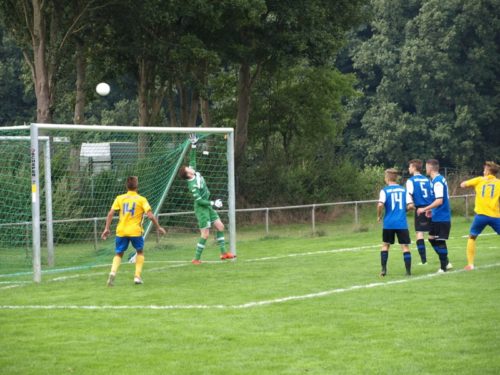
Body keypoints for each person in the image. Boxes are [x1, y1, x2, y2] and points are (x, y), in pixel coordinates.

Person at [178, 134, 235, 264]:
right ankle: (196, 259)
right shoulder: (193, 186)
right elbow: (199, 201)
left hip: (207, 206)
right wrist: (213, 202)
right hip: (201, 208)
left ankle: (223, 253)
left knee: (220, 226)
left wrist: (193, 145)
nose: (190, 167)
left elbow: (193, 160)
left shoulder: (194, 173)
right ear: (188, 174)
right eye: (188, 168)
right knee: (205, 234)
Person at [101, 176, 166, 286]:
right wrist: (158, 227)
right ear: (137, 186)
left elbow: (110, 213)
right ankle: (137, 276)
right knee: (140, 252)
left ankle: (112, 272)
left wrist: (106, 228)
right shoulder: (141, 199)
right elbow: (150, 216)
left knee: (119, 253)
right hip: (135, 231)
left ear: (126, 186)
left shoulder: (119, 198)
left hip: (121, 231)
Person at [460, 161, 500, 270]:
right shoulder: (499, 183)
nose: (483, 171)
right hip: (495, 216)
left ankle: (470, 264)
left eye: (484, 170)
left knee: (472, 237)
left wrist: (471, 185)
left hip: (481, 216)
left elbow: (462, 184)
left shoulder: (479, 180)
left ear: (488, 171)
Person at [377, 168, 414, 277]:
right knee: (405, 247)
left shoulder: (384, 190)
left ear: (386, 178)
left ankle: (383, 270)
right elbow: (410, 206)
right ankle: (408, 272)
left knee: (385, 245)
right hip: (401, 223)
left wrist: (379, 216)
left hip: (389, 223)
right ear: (396, 178)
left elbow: (380, 205)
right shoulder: (404, 190)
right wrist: (405, 209)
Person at [417, 159, 452, 273]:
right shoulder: (437, 180)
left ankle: (443, 267)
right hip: (437, 216)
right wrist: (431, 210)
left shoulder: (437, 181)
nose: (425, 170)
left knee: (440, 241)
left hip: (442, 217)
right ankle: (446, 262)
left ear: (430, 168)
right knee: (432, 238)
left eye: (426, 167)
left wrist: (425, 208)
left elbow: (439, 201)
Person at [406, 159, 434, 265]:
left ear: (414, 168)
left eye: (409, 166)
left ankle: (424, 260)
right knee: (433, 234)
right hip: (431, 208)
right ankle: (444, 258)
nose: (408, 168)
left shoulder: (411, 180)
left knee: (419, 233)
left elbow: (409, 194)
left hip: (420, 209)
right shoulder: (428, 180)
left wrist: (409, 205)